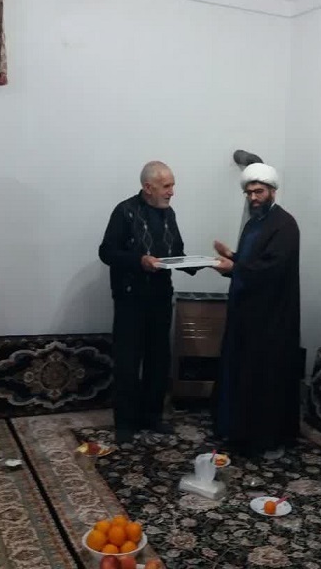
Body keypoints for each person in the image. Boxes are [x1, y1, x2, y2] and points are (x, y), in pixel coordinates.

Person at [99, 161, 193, 444]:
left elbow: (176, 251)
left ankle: (153, 416)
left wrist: (200, 263)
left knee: (158, 360)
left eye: (172, 185)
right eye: (167, 186)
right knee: (128, 362)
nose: (172, 192)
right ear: (148, 188)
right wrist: (139, 261)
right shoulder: (125, 211)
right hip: (131, 300)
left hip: (160, 299)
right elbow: (107, 252)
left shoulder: (168, 213)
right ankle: (125, 423)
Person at [212, 163, 301, 459]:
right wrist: (232, 257)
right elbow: (252, 262)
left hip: (270, 319)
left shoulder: (285, 225)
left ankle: (265, 440)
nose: (253, 197)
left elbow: (271, 268)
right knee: (241, 375)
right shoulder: (254, 224)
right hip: (245, 317)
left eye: (259, 191)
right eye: (249, 192)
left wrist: (234, 267)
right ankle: (238, 433)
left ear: (272, 191)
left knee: (264, 380)